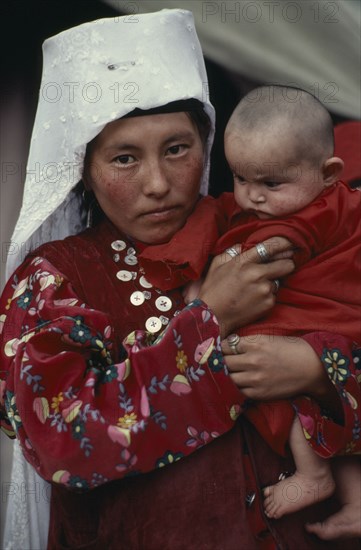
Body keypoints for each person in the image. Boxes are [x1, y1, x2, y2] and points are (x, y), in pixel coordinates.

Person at [0, 12, 359, 550]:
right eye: (123, 158)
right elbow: (63, 444)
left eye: (177, 149)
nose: (158, 184)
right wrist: (210, 321)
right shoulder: (52, 281)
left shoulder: (271, 230)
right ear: (85, 171)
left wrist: (318, 369)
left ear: (207, 144)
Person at [156, 85, 361, 541]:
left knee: (277, 379)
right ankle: (356, 500)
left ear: (329, 173)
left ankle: (313, 475)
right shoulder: (321, 198)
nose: (252, 198)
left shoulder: (302, 219)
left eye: (270, 184)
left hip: (321, 318)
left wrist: (212, 279)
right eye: (240, 179)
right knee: (332, 401)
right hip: (332, 325)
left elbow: (261, 254)